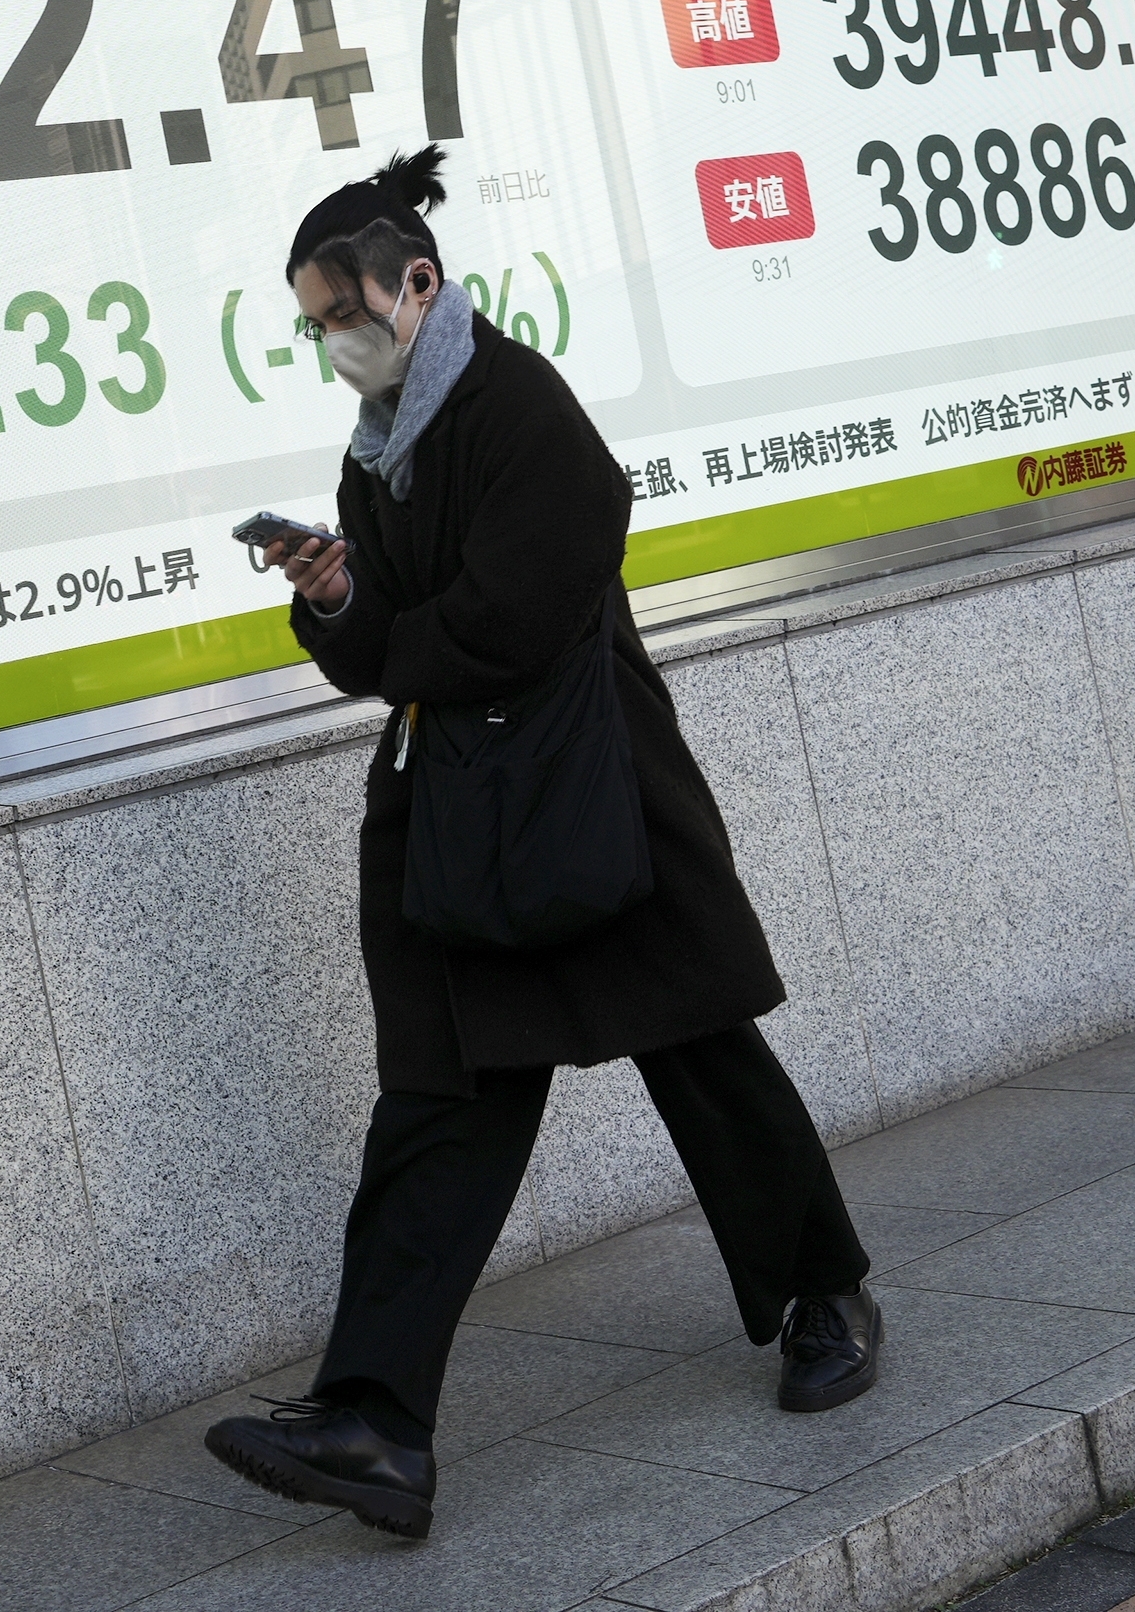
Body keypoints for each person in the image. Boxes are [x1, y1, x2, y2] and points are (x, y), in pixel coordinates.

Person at [201, 148, 881, 1542]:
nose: (332, 341)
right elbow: (385, 656)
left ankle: (828, 1296)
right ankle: (377, 1423)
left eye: (341, 311)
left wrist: (392, 644)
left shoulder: (525, 413)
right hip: (468, 826)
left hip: (591, 802)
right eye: (312, 322)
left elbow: (507, 622)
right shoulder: (382, 446)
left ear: (417, 284)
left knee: (702, 1057)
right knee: (441, 1103)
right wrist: (334, 599)